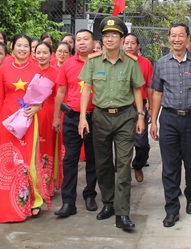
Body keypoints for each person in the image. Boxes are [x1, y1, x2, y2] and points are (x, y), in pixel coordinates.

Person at [78, 17, 145, 231]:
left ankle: (122, 212)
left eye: (114, 35)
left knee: (124, 165)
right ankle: (108, 203)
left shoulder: (132, 63)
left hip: (126, 117)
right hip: (100, 117)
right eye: (105, 35)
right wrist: (82, 118)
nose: (109, 39)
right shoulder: (93, 61)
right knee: (104, 164)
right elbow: (86, 89)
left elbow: (137, 89)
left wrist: (141, 115)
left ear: (122, 38)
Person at [149, 23, 191, 228]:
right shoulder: (161, 63)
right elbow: (157, 93)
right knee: (170, 165)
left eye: (181, 35)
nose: (177, 39)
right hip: (168, 119)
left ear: (188, 38)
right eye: (173, 35)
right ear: (169, 38)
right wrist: (154, 120)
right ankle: (172, 209)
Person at [0, 34, 45, 223]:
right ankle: (7, 207)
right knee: (6, 162)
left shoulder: (36, 68)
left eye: (26, 46)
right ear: (12, 47)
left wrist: (38, 106)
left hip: (28, 120)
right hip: (6, 121)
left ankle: (31, 201)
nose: (22, 49)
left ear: (31, 49)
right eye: (19, 45)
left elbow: (42, 95)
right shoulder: (4, 69)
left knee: (26, 162)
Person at [52, 29, 98, 218]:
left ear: (92, 42)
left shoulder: (99, 62)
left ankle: (90, 195)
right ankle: (68, 202)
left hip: (94, 117)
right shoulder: (68, 64)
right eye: (78, 40)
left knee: (93, 159)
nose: (81, 43)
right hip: (71, 117)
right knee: (69, 159)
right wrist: (56, 117)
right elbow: (61, 91)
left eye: (85, 39)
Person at [31, 41, 63, 208]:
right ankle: (34, 185)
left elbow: (59, 96)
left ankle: (47, 185)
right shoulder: (30, 71)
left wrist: (56, 117)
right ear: (34, 54)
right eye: (38, 52)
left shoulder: (56, 73)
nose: (41, 56)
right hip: (31, 114)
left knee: (46, 149)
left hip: (48, 113)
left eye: (45, 53)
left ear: (51, 55)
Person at [122, 33, 154, 183]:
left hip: (139, 106)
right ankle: (123, 175)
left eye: (132, 43)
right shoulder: (117, 61)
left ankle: (138, 164)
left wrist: (151, 105)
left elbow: (149, 85)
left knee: (141, 143)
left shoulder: (145, 63)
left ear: (138, 46)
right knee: (122, 143)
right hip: (121, 106)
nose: (129, 46)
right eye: (126, 43)